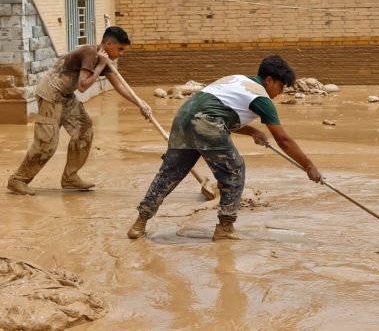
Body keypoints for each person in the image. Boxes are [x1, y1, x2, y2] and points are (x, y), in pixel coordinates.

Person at [127, 55, 322, 241]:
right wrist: (308, 165)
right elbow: (283, 140)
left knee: (168, 174)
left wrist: (253, 131)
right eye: (281, 86)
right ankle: (225, 227)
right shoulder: (261, 97)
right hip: (205, 123)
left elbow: (220, 112)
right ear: (269, 80)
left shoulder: (235, 79)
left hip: (182, 119)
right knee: (234, 170)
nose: (280, 92)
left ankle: (139, 224)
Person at [7, 26, 152, 195]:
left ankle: (70, 177)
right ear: (109, 44)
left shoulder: (103, 59)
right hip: (51, 95)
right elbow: (83, 86)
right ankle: (18, 180)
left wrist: (141, 103)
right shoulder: (90, 53)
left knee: (84, 130)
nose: (121, 54)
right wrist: (100, 66)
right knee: (47, 144)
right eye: (120, 49)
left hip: (66, 96)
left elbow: (119, 86)